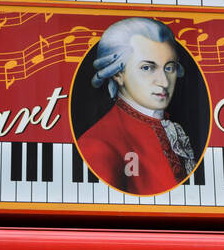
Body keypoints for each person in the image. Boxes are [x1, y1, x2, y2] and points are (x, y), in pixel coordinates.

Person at [76, 17, 199, 196]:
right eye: (147, 68)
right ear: (118, 74)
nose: (164, 82)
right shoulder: (99, 144)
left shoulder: (170, 127)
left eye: (169, 68)